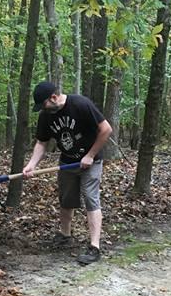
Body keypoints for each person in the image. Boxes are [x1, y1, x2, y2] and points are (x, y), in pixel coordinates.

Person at [24, 82, 113, 265]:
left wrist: (90, 155)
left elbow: (106, 129)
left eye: (44, 105)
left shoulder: (80, 104)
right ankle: (65, 235)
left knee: (90, 198)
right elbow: (42, 142)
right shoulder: (46, 115)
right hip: (67, 162)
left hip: (91, 162)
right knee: (66, 199)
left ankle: (94, 247)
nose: (44, 109)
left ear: (53, 97)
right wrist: (32, 164)